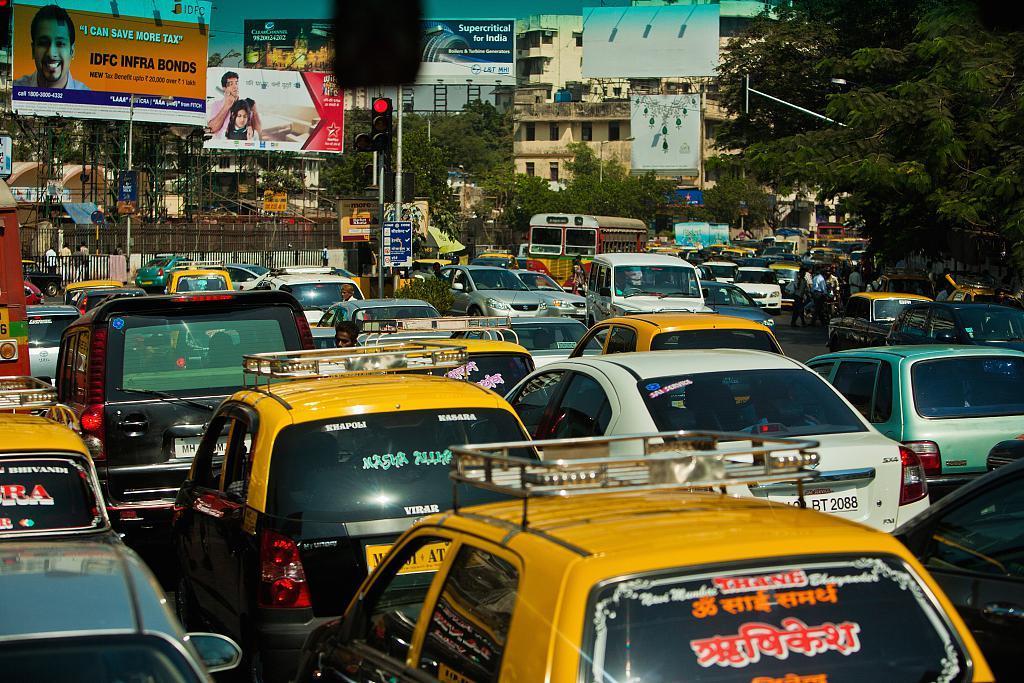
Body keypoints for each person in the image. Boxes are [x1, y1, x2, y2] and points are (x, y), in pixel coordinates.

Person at [15, 5, 90, 90]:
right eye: (43, 43)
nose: (51, 54)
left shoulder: (88, 96)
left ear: (72, 51)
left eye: (60, 43)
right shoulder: (16, 89)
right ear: (33, 50)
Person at [207, 71, 262, 139]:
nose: (235, 87)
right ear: (224, 88)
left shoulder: (245, 105)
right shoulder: (216, 105)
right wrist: (226, 106)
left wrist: (254, 111)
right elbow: (211, 129)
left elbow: (258, 132)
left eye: (236, 83)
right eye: (231, 84)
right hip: (222, 146)